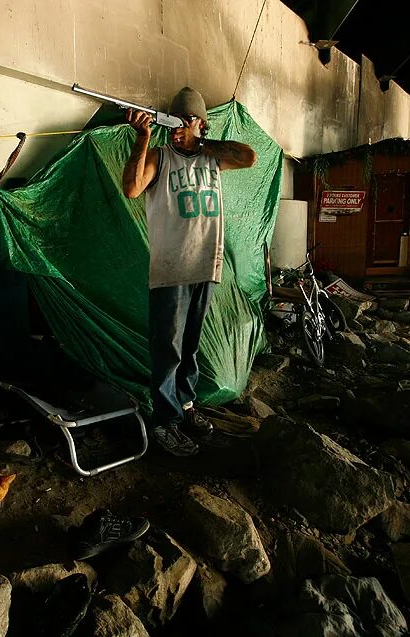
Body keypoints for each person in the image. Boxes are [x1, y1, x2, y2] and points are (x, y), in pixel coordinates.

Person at [122, 87, 257, 456]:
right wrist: (145, 136)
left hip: (205, 267)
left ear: (199, 123)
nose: (176, 130)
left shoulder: (213, 158)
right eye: (172, 123)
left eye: (182, 122)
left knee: (191, 347)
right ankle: (165, 422)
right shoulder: (159, 157)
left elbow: (248, 157)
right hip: (171, 269)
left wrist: (201, 143)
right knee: (168, 349)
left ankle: (185, 406)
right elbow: (132, 188)